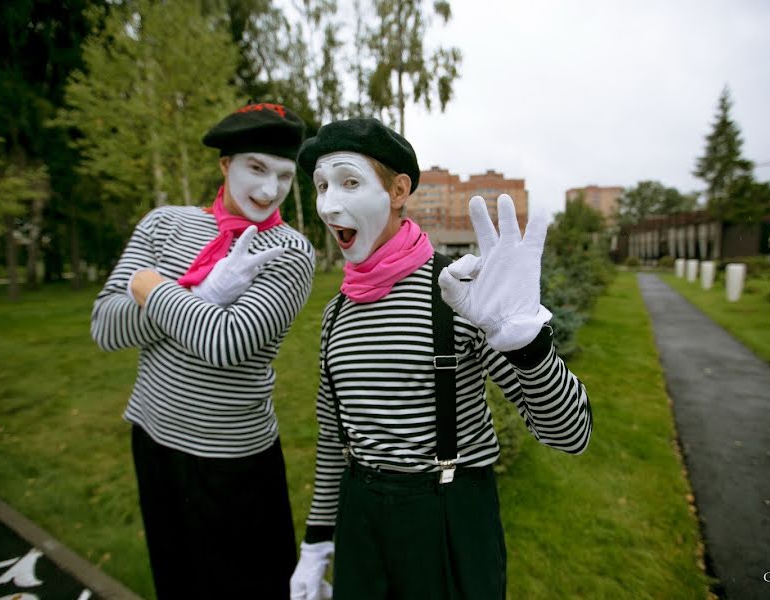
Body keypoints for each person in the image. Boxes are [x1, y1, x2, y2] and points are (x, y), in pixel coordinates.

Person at [289, 117, 593, 600]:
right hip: (360, 518)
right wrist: (317, 541)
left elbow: (571, 435)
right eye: (322, 186)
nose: (329, 204)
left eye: (349, 182)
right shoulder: (336, 312)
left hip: (448, 518)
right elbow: (332, 438)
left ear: (398, 190)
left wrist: (528, 345)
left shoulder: (461, 294)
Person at [91, 103, 315, 599]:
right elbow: (106, 327)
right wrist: (201, 300)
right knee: (176, 580)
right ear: (224, 164)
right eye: (255, 168)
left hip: (233, 456)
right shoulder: (163, 225)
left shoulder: (291, 251)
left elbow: (227, 343)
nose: (268, 189)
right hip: (154, 439)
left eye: (282, 175)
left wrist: (155, 289)